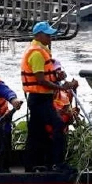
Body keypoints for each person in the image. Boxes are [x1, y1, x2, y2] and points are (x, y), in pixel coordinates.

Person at [20, 21, 78, 173]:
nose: (50, 37)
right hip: (40, 98)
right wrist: (60, 87)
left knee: (36, 132)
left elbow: (47, 74)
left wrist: (57, 75)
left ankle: (32, 165)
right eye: (47, 35)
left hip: (40, 98)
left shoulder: (40, 50)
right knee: (58, 125)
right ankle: (58, 163)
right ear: (39, 35)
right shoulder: (37, 53)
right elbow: (40, 80)